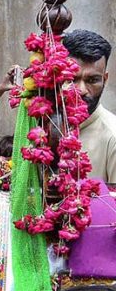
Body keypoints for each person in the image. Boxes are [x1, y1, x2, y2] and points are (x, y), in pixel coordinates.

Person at [62, 29, 116, 183]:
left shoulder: (112, 137)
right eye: (72, 79)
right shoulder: (44, 127)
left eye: (92, 80)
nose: (81, 90)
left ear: (105, 80)